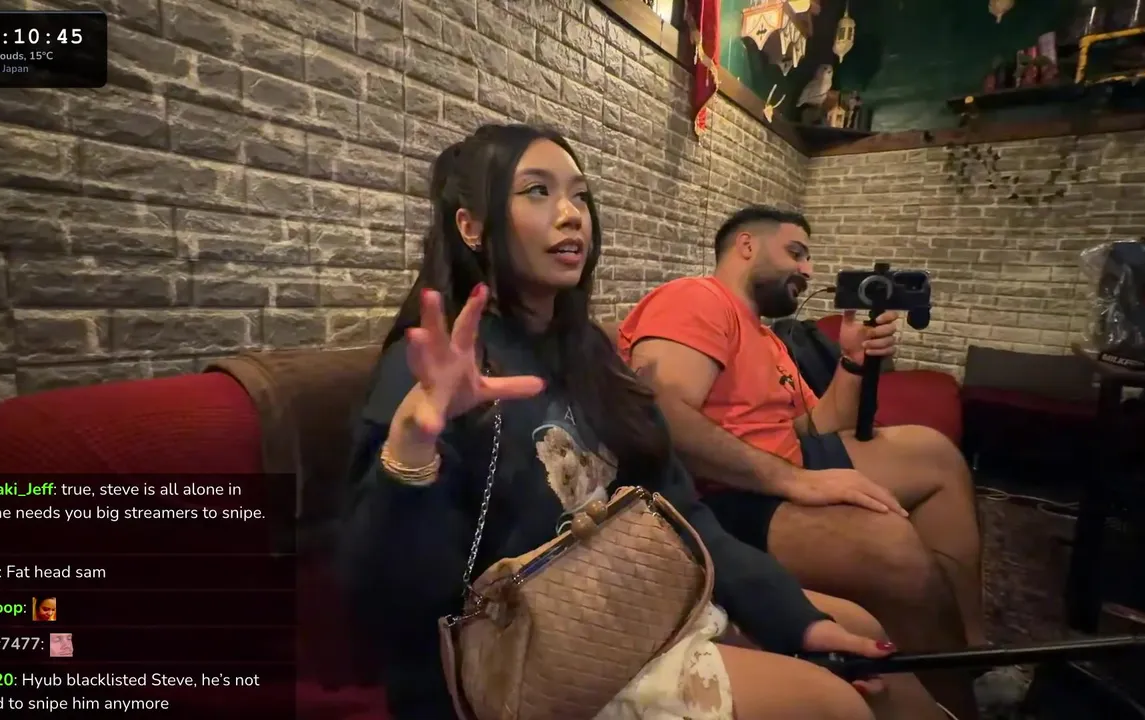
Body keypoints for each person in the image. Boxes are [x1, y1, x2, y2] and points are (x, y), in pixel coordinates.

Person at [340, 125, 948, 720]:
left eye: (580, 195)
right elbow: (391, 602)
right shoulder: (431, 374)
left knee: (854, 634)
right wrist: (412, 447)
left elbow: (677, 507)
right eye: (537, 191)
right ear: (471, 226)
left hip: (631, 595)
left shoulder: (587, 352)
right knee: (834, 702)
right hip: (527, 659)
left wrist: (795, 621)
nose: (572, 215)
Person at [619, 206, 991, 719]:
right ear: (746, 246)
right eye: (796, 253)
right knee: (890, 545)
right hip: (725, 493)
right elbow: (663, 417)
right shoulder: (697, 298)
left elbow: (816, 425)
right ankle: (954, 705)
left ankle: (971, 654)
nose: (808, 269)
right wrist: (793, 481)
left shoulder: (768, 337)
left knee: (935, 456)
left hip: (787, 462)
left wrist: (852, 360)